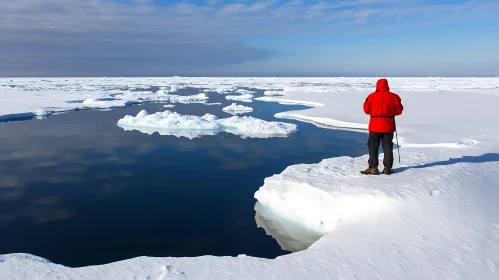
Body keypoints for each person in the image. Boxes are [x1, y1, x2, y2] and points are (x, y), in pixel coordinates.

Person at [361, 78, 403, 175]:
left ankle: (373, 168)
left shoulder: (371, 96)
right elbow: (399, 110)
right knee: (388, 146)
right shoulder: (394, 96)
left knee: (373, 147)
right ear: (387, 85)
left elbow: (366, 110)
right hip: (388, 125)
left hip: (375, 126)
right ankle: (387, 168)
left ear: (377, 86)